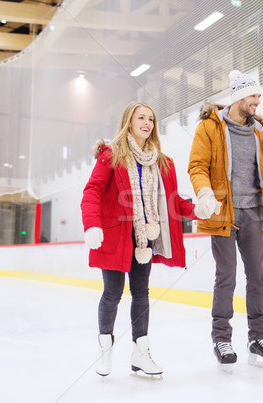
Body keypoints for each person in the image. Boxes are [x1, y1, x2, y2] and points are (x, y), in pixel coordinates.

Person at [188, 70, 263, 370]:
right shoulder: (210, 127)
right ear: (239, 97)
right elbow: (197, 165)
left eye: (258, 96)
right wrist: (204, 193)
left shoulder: (260, 132)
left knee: (257, 276)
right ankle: (222, 338)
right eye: (254, 95)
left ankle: (258, 337)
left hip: (253, 212)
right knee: (226, 275)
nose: (258, 100)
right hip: (224, 213)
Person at [81, 102, 212, 377]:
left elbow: (171, 202)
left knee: (142, 295)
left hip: (144, 240)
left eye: (151, 119)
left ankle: (140, 353)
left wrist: (196, 210)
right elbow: (92, 190)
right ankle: (105, 350)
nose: (147, 123)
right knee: (112, 293)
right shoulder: (112, 154)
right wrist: (92, 225)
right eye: (141, 118)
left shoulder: (161, 162)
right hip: (115, 238)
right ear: (128, 121)